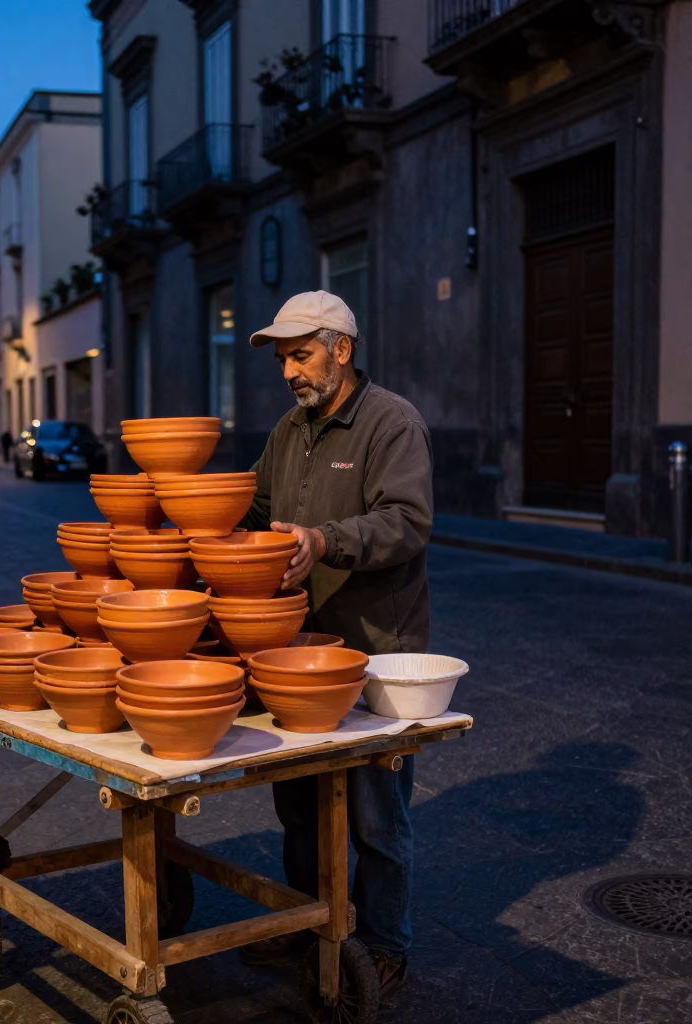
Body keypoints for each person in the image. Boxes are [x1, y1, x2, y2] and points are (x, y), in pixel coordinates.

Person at [238, 291, 433, 1000]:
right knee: (299, 804)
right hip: (298, 652)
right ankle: (306, 919)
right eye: (283, 358)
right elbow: (258, 509)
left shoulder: (392, 422)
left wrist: (325, 539)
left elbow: (408, 522)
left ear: (341, 349)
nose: (289, 371)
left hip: (376, 649)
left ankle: (384, 945)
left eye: (301, 353)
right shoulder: (289, 431)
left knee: (378, 816)